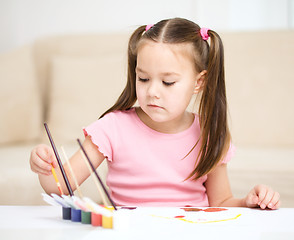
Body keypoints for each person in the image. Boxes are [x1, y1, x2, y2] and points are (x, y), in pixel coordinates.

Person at [30, 18, 280, 209]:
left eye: (168, 82)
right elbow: (60, 187)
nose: (152, 92)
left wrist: (249, 202)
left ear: (199, 82)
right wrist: (46, 167)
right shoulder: (112, 129)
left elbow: (220, 203)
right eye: (144, 78)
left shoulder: (210, 133)